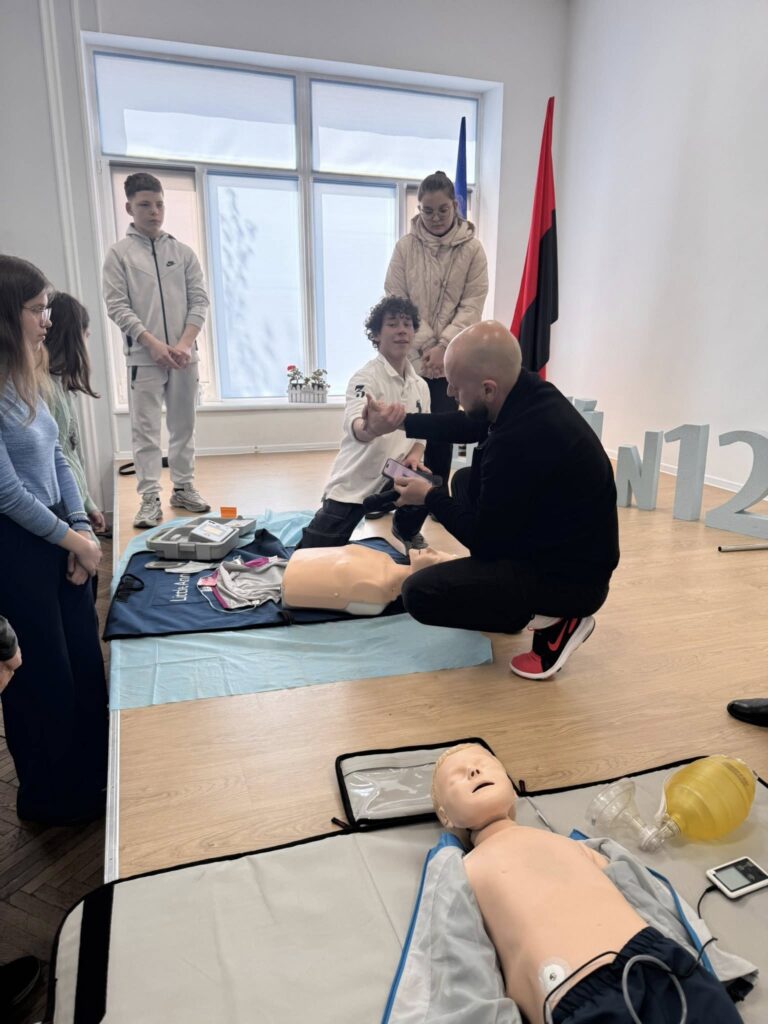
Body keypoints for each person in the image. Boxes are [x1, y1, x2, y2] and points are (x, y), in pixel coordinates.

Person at [363, 320, 619, 680]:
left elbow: (484, 539)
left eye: (455, 386)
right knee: (466, 480)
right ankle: (509, 597)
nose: (449, 391)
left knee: (419, 594)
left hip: (572, 583)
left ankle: (555, 619)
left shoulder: (517, 441)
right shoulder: (526, 392)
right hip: (567, 546)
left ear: (487, 388)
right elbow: (468, 424)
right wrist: (401, 421)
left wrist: (429, 496)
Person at [431, 743, 743, 1024]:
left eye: (484, 764)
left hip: (659, 958)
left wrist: (704, 957)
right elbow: (462, 958)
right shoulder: (465, 870)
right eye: (457, 776)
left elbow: (647, 899)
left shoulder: (577, 845)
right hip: (570, 992)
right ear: (446, 816)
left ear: (513, 789)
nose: (474, 771)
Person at [0, 255, 108, 824]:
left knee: (83, 666)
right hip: (19, 547)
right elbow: (7, 494)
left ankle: (92, 780)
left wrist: (81, 532)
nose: (48, 319)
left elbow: (60, 459)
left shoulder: (30, 377)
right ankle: (48, 798)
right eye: (37, 309)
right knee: (43, 679)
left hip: (57, 533)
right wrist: (73, 540)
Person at [103, 171, 211, 528]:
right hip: (143, 358)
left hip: (184, 357)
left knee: (184, 427)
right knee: (145, 431)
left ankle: (183, 488)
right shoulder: (119, 255)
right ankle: (149, 498)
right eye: (145, 205)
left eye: (159, 204)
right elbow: (117, 306)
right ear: (129, 208)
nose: (154, 212)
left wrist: (183, 344)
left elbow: (199, 300)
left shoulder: (183, 253)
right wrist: (151, 344)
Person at [297, 296, 431, 552]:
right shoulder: (365, 378)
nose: (402, 330)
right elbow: (356, 424)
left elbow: (421, 437)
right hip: (355, 483)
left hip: (394, 476)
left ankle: (405, 530)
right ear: (376, 335)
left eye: (407, 324)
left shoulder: (421, 386)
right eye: (392, 324)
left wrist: (414, 456)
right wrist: (372, 428)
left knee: (428, 485)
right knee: (312, 554)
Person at [384, 169, 488, 496]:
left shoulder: (473, 250)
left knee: (442, 430)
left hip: (451, 360)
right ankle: (400, 495)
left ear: (455, 205)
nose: (435, 217)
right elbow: (396, 297)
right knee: (406, 427)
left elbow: (472, 305)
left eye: (442, 209)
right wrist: (428, 344)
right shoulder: (405, 247)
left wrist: (444, 348)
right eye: (427, 211)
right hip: (410, 355)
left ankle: (436, 499)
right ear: (419, 209)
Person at [44, 293, 106, 535]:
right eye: (86, 335)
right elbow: (57, 462)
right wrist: (78, 517)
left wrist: (87, 502)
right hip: (62, 513)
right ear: (73, 336)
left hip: (75, 507)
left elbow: (73, 455)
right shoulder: (45, 391)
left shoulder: (62, 387)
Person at [283, 544, 455, 615]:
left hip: (291, 585)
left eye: (436, 557)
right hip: (297, 562)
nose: (431, 549)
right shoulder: (386, 558)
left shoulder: (377, 590)